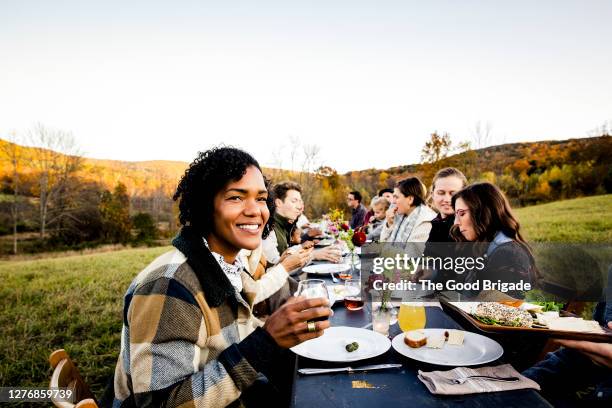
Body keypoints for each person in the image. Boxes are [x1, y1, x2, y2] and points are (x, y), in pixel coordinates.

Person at [113, 147, 332, 407]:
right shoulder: (169, 284)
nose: (255, 211)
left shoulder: (228, 264)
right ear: (206, 205)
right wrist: (267, 342)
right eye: (236, 198)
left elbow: (245, 328)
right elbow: (160, 403)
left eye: (261, 199)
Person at [450, 182, 539, 295]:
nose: (456, 223)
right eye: (455, 215)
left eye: (462, 214)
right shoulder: (481, 246)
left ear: (484, 213)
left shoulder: (508, 254)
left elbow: (502, 308)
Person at [263, 181, 341, 267]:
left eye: (299, 201)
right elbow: (275, 269)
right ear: (278, 203)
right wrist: (313, 255)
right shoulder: (268, 229)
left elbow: (287, 253)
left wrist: (304, 249)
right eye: (294, 201)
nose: (299, 207)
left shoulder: (284, 224)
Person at [380, 177, 437, 243]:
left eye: (396, 197)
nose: (393, 202)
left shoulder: (425, 221)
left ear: (410, 199)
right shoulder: (398, 215)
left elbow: (412, 253)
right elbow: (382, 243)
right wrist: (389, 224)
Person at [427, 167, 468, 243]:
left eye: (453, 194)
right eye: (441, 193)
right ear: (432, 195)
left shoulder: (468, 230)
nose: (447, 199)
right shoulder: (434, 224)